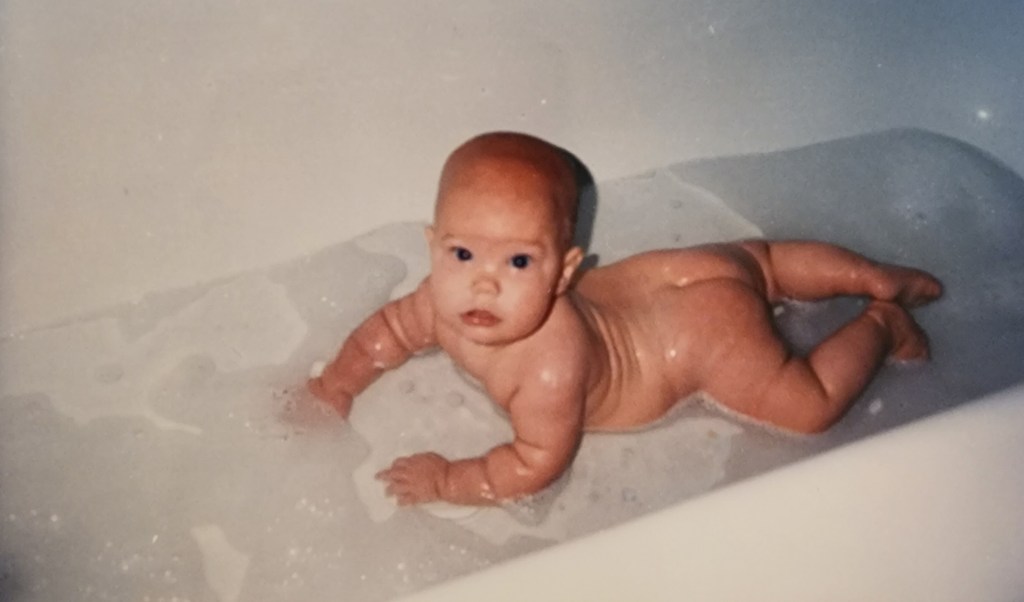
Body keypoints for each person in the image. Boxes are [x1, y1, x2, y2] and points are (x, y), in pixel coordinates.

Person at [307, 132, 942, 506]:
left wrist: (449, 480)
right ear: (433, 246)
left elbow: (534, 463)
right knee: (763, 262)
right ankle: (867, 273)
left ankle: (882, 323)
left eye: (519, 261)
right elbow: (385, 335)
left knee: (809, 405)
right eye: (463, 253)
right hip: (668, 277)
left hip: (701, 343)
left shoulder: (548, 372)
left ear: (564, 272)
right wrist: (337, 383)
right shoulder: (437, 301)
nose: (484, 282)